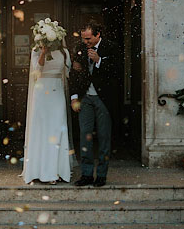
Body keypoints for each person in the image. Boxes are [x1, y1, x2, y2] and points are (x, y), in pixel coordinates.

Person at [69, 21, 121, 188]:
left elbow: (117, 70)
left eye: (89, 39)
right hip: (85, 99)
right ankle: (86, 174)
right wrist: (74, 97)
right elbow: (74, 74)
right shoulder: (79, 47)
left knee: (104, 138)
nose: (86, 42)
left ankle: (101, 175)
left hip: (103, 99)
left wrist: (99, 61)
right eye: (84, 39)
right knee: (85, 137)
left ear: (98, 35)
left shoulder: (111, 47)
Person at [21, 35, 73, 185]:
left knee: (57, 129)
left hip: (57, 93)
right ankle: (39, 171)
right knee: (41, 129)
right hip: (42, 92)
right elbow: (37, 70)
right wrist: (43, 52)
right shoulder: (36, 51)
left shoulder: (64, 52)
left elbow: (68, 72)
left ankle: (57, 171)